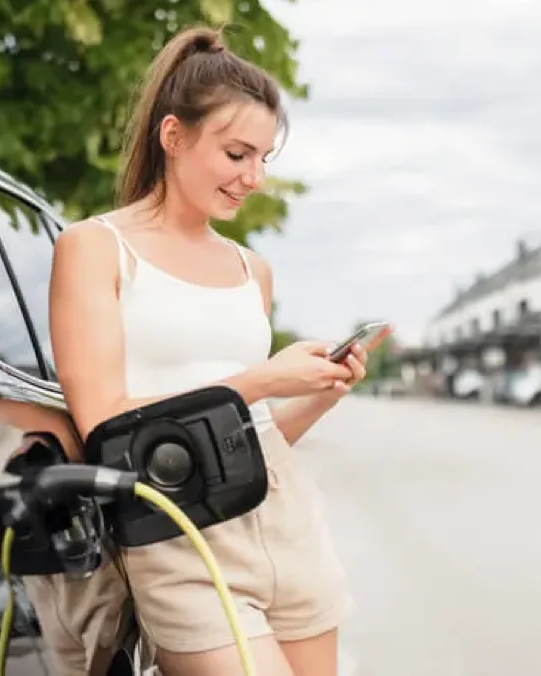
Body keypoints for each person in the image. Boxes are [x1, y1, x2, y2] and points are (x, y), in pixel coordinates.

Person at [48, 24, 372, 676]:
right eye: (236, 154)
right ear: (174, 137)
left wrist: (317, 393)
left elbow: (248, 433)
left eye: (263, 159)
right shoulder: (96, 248)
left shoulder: (253, 271)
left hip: (284, 519)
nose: (252, 177)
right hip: (175, 533)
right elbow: (105, 423)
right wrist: (259, 380)